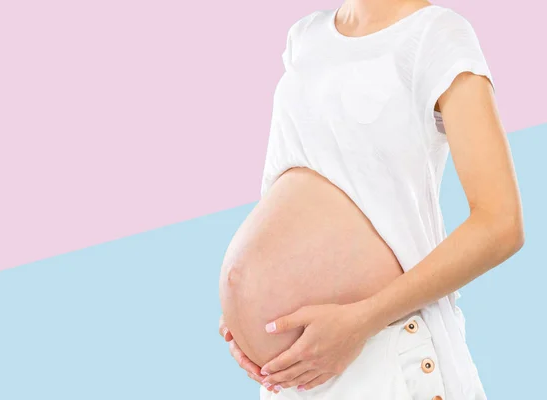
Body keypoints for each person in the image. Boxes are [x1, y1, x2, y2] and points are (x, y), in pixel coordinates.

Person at [218, 1, 524, 399]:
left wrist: (361, 320)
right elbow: (288, 192)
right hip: (301, 375)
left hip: (387, 350)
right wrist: (247, 317)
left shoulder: (436, 35)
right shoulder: (305, 37)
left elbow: (501, 224)